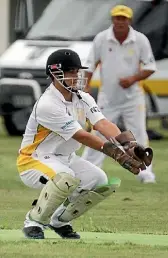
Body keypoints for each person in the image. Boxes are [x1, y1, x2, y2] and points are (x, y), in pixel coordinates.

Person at [16, 49, 152, 239]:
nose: (77, 76)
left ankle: (59, 221)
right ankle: (33, 222)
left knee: (100, 180)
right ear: (55, 74)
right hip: (33, 161)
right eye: (71, 71)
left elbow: (102, 123)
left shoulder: (82, 97)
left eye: (77, 71)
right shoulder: (48, 104)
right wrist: (115, 153)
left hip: (66, 159)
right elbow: (82, 136)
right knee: (66, 178)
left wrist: (128, 144)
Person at [82, 5, 157, 183]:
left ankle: (145, 172)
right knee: (99, 134)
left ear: (129, 21)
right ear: (112, 20)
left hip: (133, 98)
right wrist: (86, 88)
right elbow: (91, 65)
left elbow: (150, 67)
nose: (120, 22)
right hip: (107, 98)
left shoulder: (140, 40)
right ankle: (89, 169)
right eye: (117, 18)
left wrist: (132, 79)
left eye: (123, 18)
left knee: (138, 134)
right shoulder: (101, 39)